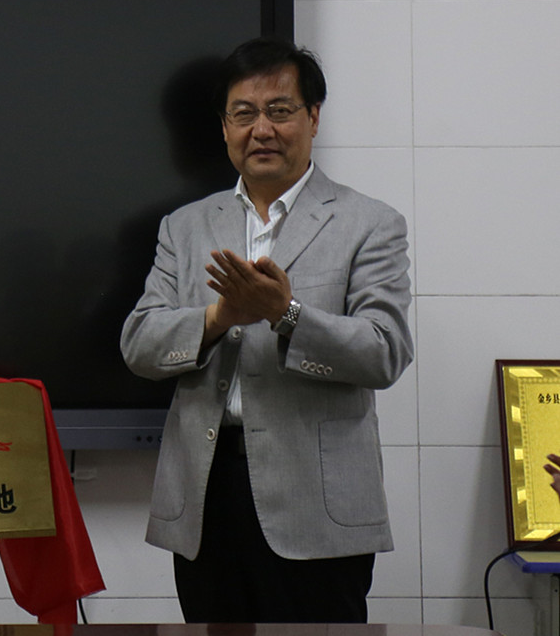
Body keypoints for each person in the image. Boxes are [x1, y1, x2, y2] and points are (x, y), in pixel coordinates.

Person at [120, 36, 412, 623]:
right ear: (225, 126)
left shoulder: (369, 223)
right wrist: (218, 318)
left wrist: (287, 314)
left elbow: (385, 351)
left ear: (313, 118)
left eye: (280, 110)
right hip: (207, 497)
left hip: (316, 504)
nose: (262, 130)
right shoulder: (184, 226)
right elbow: (139, 344)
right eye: (244, 113)